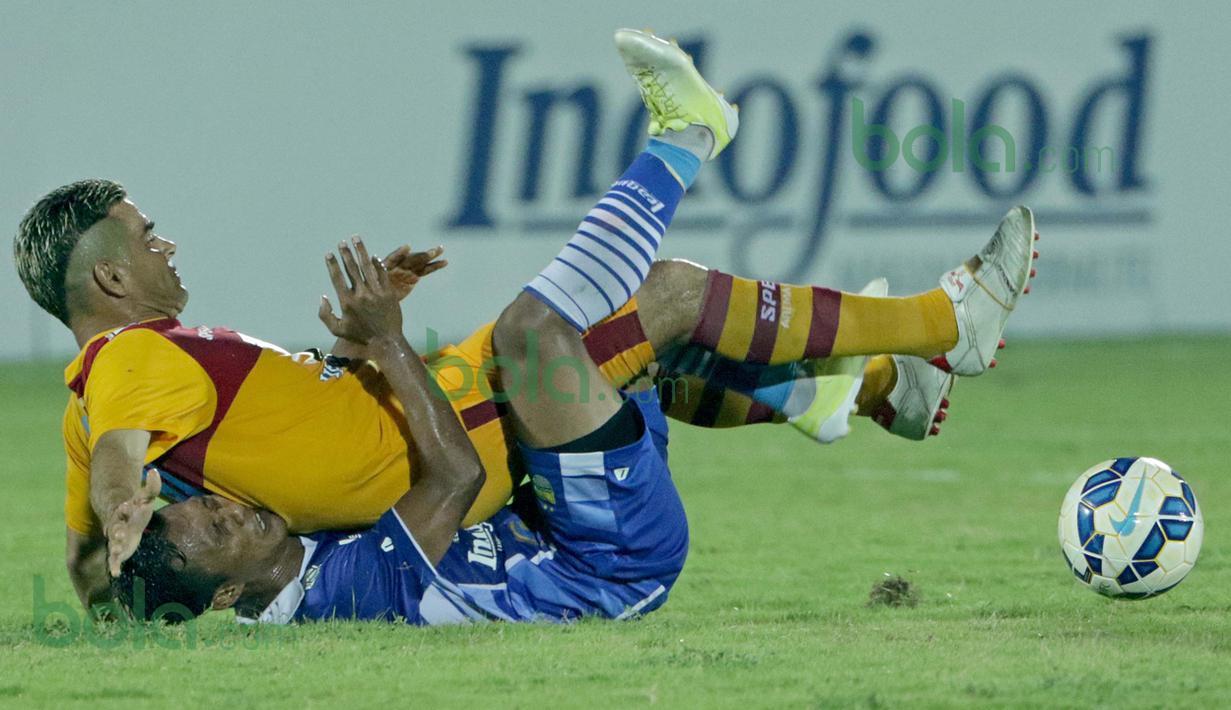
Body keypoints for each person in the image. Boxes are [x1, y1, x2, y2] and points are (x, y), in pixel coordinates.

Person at [12, 29, 1035, 613]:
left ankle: (881, 389)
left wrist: (360, 348)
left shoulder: (109, 379)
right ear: (108, 279)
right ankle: (941, 313)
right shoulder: (130, 361)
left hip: (440, 409)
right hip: (461, 441)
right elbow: (115, 467)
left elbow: (91, 558)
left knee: (647, 350)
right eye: (145, 237)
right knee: (657, 301)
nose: (166, 246)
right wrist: (123, 508)